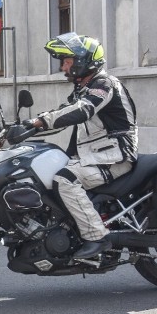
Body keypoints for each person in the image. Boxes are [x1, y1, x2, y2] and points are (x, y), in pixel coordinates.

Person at [26, 32, 138, 259]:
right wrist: (24, 129)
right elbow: (61, 116)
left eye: (67, 61)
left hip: (116, 156)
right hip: (97, 155)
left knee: (65, 180)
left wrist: (40, 121)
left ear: (83, 61)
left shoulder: (104, 84)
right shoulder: (83, 89)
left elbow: (82, 111)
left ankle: (97, 237)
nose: (63, 67)